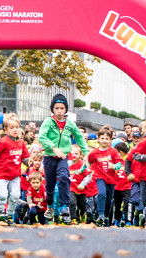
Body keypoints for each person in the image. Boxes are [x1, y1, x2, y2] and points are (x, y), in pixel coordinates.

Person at [38, 94, 89, 224]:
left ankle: (64, 207)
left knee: (64, 176)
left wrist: (86, 152)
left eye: (62, 108)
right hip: (50, 157)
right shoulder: (48, 122)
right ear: (53, 109)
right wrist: (53, 148)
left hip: (62, 158)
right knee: (49, 187)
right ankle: (50, 206)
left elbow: (79, 136)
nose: (59, 111)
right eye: (56, 108)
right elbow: (41, 137)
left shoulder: (69, 123)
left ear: (65, 109)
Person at [0, 113, 30, 225]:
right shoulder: (3, 142)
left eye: (17, 127)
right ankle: (0, 211)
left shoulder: (21, 143)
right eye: (11, 128)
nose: (15, 130)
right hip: (2, 175)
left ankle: (9, 214)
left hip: (15, 176)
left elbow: (25, 158)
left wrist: (30, 162)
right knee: (2, 196)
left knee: (15, 196)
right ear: (5, 129)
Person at [86, 128, 123, 226]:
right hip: (99, 177)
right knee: (101, 193)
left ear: (110, 140)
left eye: (107, 139)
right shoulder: (94, 152)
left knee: (109, 199)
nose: (104, 141)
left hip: (111, 179)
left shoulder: (113, 151)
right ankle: (101, 214)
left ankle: (105, 216)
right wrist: (89, 169)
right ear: (98, 139)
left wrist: (114, 166)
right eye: (102, 138)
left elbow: (120, 163)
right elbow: (89, 160)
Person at [112, 142, 131, 227]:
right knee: (117, 204)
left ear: (120, 152)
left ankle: (127, 220)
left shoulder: (129, 160)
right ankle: (117, 220)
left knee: (127, 204)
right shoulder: (115, 161)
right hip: (117, 187)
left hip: (128, 187)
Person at [68, 144, 88, 224]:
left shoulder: (82, 165)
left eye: (76, 154)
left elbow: (87, 175)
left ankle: (82, 214)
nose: (74, 155)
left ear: (80, 155)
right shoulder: (67, 164)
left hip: (81, 189)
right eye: (73, 153)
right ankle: (73, 218)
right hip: (71, 188)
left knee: (82, 205)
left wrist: (83, 184)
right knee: (72, 202)